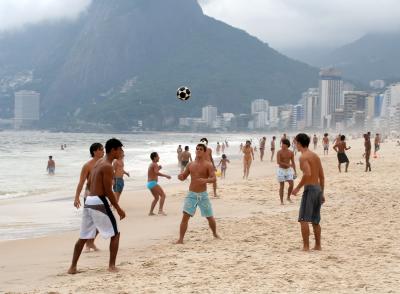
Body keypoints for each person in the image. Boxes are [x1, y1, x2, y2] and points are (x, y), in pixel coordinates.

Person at [68, 138, 126, 274]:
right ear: (113, 150)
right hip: (99, 200)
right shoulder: (107, 166)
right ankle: (112, 266)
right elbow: (107, 191)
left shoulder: (99, 162)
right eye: (120, 149)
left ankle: (72, 267)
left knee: (83, 236)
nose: (122, 152)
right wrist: (118, 208)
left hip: (89, 200)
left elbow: (90, 184)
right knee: (115, 234)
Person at [176, 143, 220, 244]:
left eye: (200, 149)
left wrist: (205, 180)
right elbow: (184, 177)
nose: (198, 150)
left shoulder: (208, 165)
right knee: (185, 217)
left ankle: (215, 234)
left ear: (204, 152)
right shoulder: (190, 164)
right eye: (197, 149)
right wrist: (180, 177)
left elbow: (214, 178)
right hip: (191, 195)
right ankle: (180, 239)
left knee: (209, 217)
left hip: (203, 195)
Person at [291, 133, 325, 251]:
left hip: (310, 189)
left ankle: (306, 247)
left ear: (299, 143)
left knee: (303, 219)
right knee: (315, 220)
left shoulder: (303, 157)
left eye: (295, 142)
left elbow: (307, 173)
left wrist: (298, 188)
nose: (295, 145)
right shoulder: (315, 156)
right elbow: (322, 177)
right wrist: (322, 193)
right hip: (318, 189)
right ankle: (318, 245)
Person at [73, 142, 104, 252]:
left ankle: (90, 243)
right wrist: (76, 197)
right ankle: (88, 243)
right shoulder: (87, 165)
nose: (103, 151)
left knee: (101, 221)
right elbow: (81, 182)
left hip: (101, 195)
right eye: (101, 149)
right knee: (92, 221)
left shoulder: (104, 163)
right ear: (94, 151)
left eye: (103, 149)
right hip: (90, 195)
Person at [276, 139, 297, 205]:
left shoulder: (291, 152)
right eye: (281, 144)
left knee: (291, 184)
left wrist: (295, 171)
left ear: (287, 145)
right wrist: (287, 164)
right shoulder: (279, 152)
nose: (281, 145)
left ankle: (288, 197)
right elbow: (278, 162)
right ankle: (281, 201)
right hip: (281, 170)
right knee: (282, 186)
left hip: (288, 170)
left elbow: (293, 162)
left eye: (283, 144)